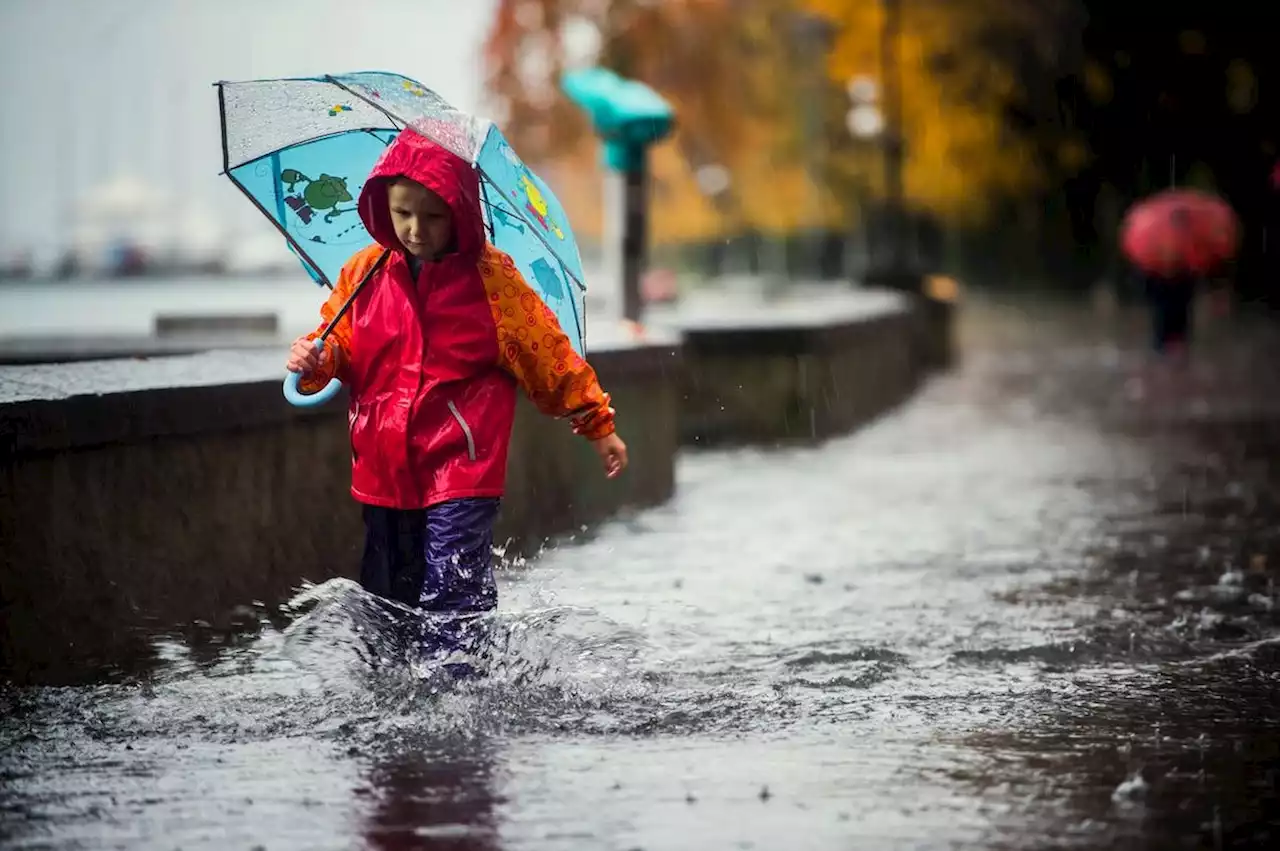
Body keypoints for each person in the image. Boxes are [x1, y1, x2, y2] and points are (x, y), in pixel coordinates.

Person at [285, 129, 628, 668]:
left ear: (460, 213)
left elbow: (548, 355)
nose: (415, 230)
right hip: (383, 468)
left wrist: (596, 422)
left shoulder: (493, 283)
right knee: (386, 595)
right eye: (402, 214)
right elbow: (340, 344)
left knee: (453, 589)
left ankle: (458, 687)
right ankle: (397, 687)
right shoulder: (364, 273)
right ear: (382, 208)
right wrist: (316, 361)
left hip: (460, 468)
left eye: (433, 216)